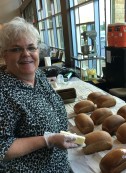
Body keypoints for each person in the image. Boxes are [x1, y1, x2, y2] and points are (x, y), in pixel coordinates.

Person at [0, 17, 78, 172]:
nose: (26, 54)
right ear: (4, 55)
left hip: (60, 166)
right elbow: (2, 147)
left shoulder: (39, 76)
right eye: (16, 49)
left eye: (31, 48)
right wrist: (48, 140)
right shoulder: (3, 92)